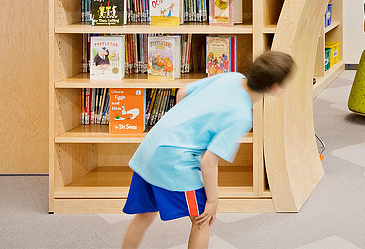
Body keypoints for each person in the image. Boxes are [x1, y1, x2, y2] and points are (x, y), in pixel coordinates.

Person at [121, 50, 294, 249]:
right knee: (202, 219)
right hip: (173, 160)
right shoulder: (242, 116)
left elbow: (183, 92)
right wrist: (213, 201)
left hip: (151, 146)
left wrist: (187, 128)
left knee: (145, 214)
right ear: (274, 87)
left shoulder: (233, 77)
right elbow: (208, 161)